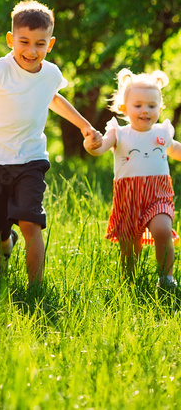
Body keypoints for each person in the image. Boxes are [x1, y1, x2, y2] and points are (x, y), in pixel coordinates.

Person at [0, 0, 100, 284]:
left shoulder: (51, 74)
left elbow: (53, 97)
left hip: (32, 159)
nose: (32, 51)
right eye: (24, 42)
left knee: (32, 223)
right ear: (11, 40)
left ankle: (35, 290)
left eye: (40, 44)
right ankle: (4, 246)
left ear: (50, 44)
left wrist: (84, 126)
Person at [84, 69, 181, 288]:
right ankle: (129, 280)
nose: (145, 110)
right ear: (124, 108)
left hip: (158, 194)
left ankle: (166, 278)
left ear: (160, 108)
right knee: (129, 244)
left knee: (163, 230)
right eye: (138, 105)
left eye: (151, 106)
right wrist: (90, 145)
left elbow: (175, 150)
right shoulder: (118, 133)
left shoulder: (162, 132)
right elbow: (99, 149)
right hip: (129, 197)